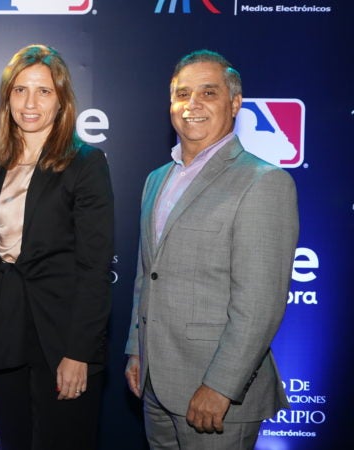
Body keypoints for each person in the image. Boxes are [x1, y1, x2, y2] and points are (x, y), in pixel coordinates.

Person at [124, 49, 299, 449]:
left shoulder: (263, 182)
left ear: (234, 103)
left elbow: (259, 304)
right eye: (182, 94)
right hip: (155, 384)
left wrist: (221, 386)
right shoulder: (156, 179)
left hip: (217, 398)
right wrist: (137, 348)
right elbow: (147, 274)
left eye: (208, 93)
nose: (193, 104)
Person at [0, 44, 114, 449]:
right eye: (20, 90)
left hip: (61, 338)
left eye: (43, 91)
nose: (30, 103)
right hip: (4, 335)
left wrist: (79, 352)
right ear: (7, 98)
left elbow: (95, 266)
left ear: (61, 100)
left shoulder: (85, 163)